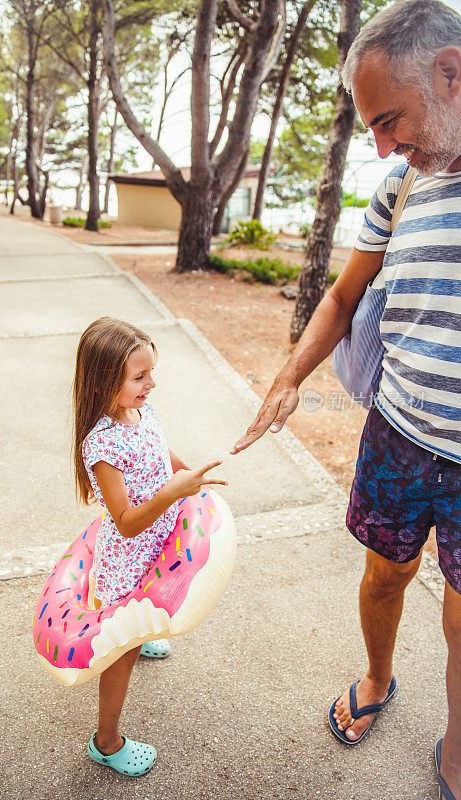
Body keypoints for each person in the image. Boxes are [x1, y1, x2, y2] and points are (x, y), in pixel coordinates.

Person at [231, 1, 460, 796]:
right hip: (398, 432)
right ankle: (375, 677)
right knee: (383, 578)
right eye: (370, 127)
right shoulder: (402, 184)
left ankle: (457, 745)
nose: (383, 146)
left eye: (389, 119)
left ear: (450, 73)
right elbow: (340, 295)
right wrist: (288, 379)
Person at [73, 316, 226, 776]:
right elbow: (124, 523)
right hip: (130, 556)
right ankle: (106, 741)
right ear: (105, 382)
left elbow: (162, 452)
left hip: (159, 538)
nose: (151, 383)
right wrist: (171, 493)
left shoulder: (141, 411)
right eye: (140, 377)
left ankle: (145, 632)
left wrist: (189, 476)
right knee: (125, 650)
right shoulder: (101, 445)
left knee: (153, 610)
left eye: (150, 373)